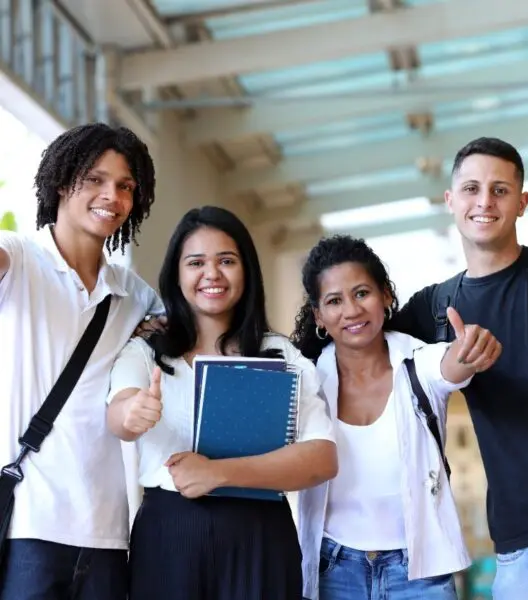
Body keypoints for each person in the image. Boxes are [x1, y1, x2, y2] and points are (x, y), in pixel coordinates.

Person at [394, 137, 528, 600]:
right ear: (450, 200)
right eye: (471, 188)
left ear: (522, 202)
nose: (484, 201)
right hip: (526, 550)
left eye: (500, 190)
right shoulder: (434, 307)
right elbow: (371, 352)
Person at [107, 205, 338, 600]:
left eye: (226, 261)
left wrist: (219, 473)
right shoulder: (147, 351)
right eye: (195, 262)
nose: (211, 274)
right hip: (169, 537)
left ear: (246, 270)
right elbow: (119, 414)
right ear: (176, 274)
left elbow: (322, 458)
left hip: (261, 536)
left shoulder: (279, 355)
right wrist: (133, 411)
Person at [291, 234, 502, 600]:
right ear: (319, 316)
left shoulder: (417, 362)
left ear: (385, 295)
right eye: (334, 301)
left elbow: (449, 365)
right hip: (333, 570)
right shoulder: (305, 380)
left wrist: (466, 351)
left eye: (362, 293)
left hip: (417, 573)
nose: (352, 310)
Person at [0, 123, 161, 600]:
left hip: (108, 535)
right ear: (59, 181)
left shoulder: (136, 295)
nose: (111, 195)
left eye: (125, 185)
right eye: (94, 179)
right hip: (25, 527)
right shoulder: (19, 260)